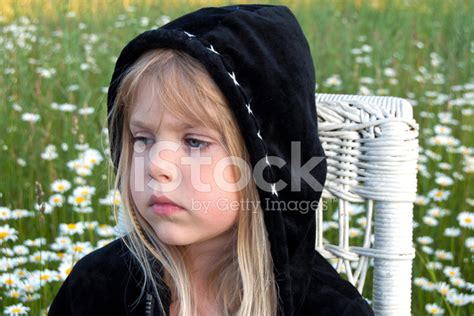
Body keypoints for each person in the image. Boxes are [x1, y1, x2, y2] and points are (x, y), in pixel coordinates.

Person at [48, 4, 374, 316]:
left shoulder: (327, 308)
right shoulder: (97, 290)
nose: (157, 166)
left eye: (194, 142)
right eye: (142, 139)